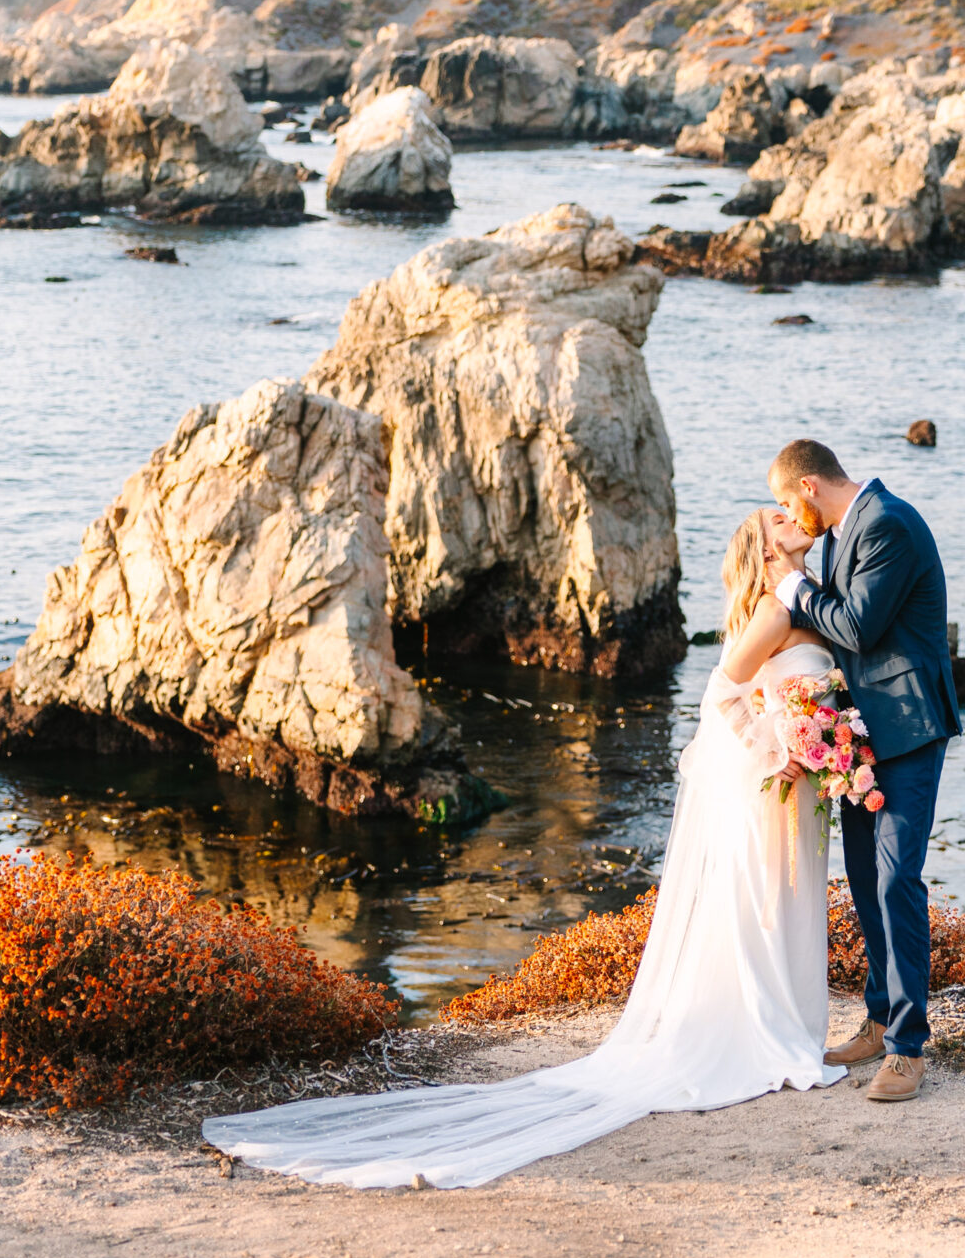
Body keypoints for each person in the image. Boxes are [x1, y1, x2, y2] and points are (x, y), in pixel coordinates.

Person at [203, 506, 847, 1188]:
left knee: (789, 897)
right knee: (769, 900)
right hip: (774, 778)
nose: (793, 517)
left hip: (802, 781)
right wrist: (776, 748)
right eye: (779, 515)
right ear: (763, 545)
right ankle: (768, 1035)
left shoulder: (805, 596)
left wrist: (814, 737)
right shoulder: (776, 607)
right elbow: (723, 691)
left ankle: (787, 1032)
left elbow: (783, 689)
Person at [764, 438, 958, 1104]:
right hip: (860, 735)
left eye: (789, 502)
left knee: (898, 878)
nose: (790, 515)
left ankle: (908, 1048)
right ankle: (878, 1018)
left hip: (909, 727)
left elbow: (860, 626)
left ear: (810, 486)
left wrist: (791, 586)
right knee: (864, 878)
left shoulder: (889, 523)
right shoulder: (842, 533)